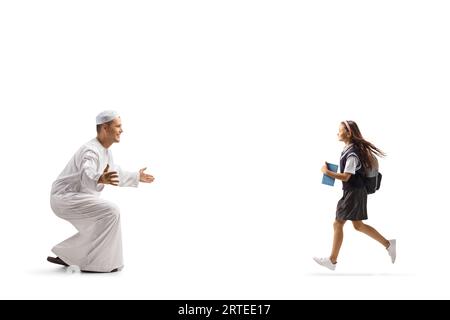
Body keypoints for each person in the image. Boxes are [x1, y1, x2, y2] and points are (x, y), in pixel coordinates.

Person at [47, 110, 155, 273]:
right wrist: (99, 178)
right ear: (105, 128)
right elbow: (87, 172)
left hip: (77, 197)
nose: (122, 130)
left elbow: (113, 172)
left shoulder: (105, 151)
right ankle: (95, 264)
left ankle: (68, 254)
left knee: (105, 220)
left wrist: (136, 176)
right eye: (118, 126)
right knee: (111, 212)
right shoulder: (90, 150)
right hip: (65, 197)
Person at [314, 120, 395, 271]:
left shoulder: (353, 154)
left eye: (340, 130)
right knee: (357, 225)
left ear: (349, 132)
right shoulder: (349, 149)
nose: (337, 133)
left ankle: (332, 261)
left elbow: (346, 177)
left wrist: (326, 172)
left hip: (354, 192)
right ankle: (388, 244)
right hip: (353, 192)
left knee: (338, 223)